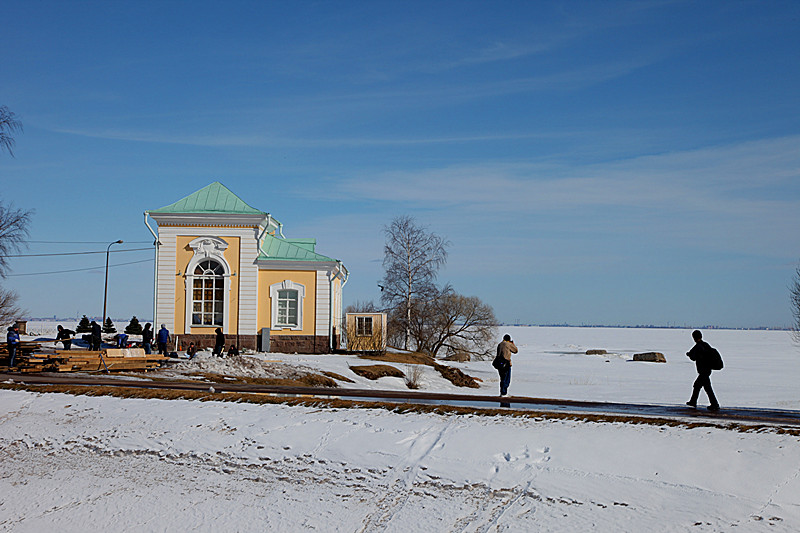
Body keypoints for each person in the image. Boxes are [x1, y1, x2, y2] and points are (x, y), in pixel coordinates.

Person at [686, 330, 720, 411]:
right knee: (698, 385)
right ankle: (693, 401)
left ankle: (714, 404)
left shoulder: (698, 346)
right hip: (707, 370)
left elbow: (693, 357)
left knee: (706, 387)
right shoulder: (706, 345)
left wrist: (689, 354)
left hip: (703, 370)